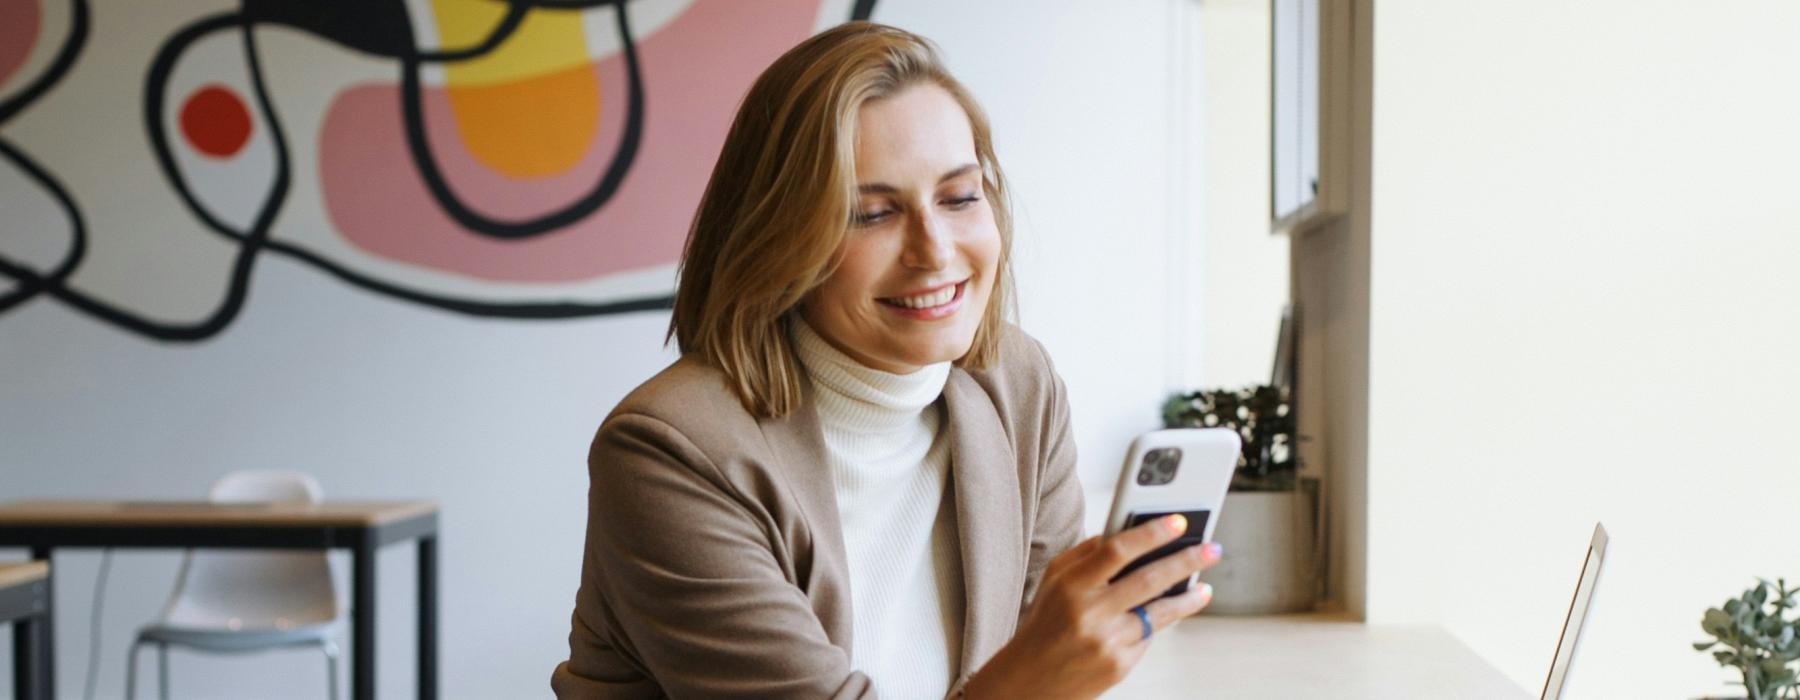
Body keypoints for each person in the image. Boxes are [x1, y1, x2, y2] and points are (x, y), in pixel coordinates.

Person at [551, 21, 1222, 699]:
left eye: (960, 197)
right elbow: (1034, 678)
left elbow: (1044, 659)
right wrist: (1036, 680)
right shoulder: (670, 451)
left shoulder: (1018, 387)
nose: (934, 251)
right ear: (781, 239)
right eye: (872, 214)